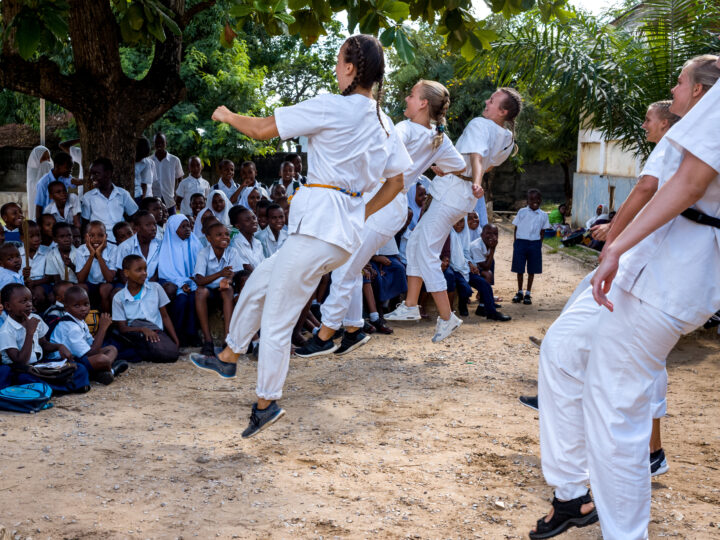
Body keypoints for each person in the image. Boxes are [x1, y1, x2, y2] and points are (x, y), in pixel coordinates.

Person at [532, 55, 720, 540]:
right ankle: (572, 494)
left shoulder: (713, 109)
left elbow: (683, 185)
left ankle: (624, 533)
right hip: (649, 268)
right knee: (563, 352)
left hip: (669, 277)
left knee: (615, 408)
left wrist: (615, 244)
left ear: (699, 91)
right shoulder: (698, 119)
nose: (674, 90)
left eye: (680, 82)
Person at [192, 34, 411, 438]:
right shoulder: (384, 123)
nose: (334, 66)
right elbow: (396, 182)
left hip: (317, 230)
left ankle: (267, 401)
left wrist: (225, 116)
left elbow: (261, 130)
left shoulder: (333, 106)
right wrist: (360, 210)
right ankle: (228, 354)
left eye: (337, 59)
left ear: (349, 69)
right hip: (337, 233)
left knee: (277, 317)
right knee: (260, 281)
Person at [298, 79, 466, 356]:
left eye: (412, 95)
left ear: (423, 103)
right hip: (390, 207)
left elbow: (377, 154)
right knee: (348, 265)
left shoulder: (405, 129)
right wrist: (430, 165)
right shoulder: (439, 138)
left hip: (380, 204)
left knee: (346, 267)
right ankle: (352, 329)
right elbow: (457, 166)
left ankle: (326, 333)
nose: (407, 100)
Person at [386, 87, 522, 342]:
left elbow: (478, 158)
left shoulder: (481, 124)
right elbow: (480, 163)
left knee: (426, 250)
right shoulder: (507, 138)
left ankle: (447, 318)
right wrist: (459, 173)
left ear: (503, 111)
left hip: (455, 193)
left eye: (492, 101)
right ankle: (411, 304)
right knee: (417, 242)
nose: (486, 101)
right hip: (459, 191)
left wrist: (475, 180)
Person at [0, 283, 90, 394]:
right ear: (8, 306)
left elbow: (44, 344)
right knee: (25, 379)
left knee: (79, 368)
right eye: (23, 302)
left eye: (30, 301)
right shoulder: (5, 330)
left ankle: (50, 390)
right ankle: (62, 387)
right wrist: (30, 332)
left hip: (39, 365)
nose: (29, 305)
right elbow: (20, 360)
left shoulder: (35, 318)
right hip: (21, 369)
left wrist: (59, 346)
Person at [47, 285, 126, 385]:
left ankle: (103, 372)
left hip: (80, 356)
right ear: (66, 308)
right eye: (77, 306)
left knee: (111, 349)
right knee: (102, 359)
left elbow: (92, 344)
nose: (83, 309)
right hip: (63, 362)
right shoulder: (70, 327)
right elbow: (91, 353)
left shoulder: (79, 321)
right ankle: (110, 371)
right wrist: (102, 328)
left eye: (86, 304)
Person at [112, 255, 179, 363]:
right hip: (133, 333)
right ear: (126, 273)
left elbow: (165, 316)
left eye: (145, 269)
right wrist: (142, 329)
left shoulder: (156, 288)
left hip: (155, 330)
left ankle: (134, 354)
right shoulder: (119, 297)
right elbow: (122, 328)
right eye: (139, 270)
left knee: (171, 354)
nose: (144, 273)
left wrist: (175, 340)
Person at [194, 222, 243, 356]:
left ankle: (228, 339)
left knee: (228, 291)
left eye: (227, 234)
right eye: (219, 235)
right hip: (208, 291)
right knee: (200, 292)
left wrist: (227, 280)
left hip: (224, 290)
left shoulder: (232, 252)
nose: (225, 237)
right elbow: (199, 280)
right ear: (209, 238)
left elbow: (234, 275)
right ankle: (208, 341)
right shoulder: (203, 254)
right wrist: (220, 274)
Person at [158, 214, 201, 347]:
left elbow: (201, 266)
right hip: (175, 283)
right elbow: (166, 271)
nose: (187, 229)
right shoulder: (166, 246)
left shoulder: (194, 242)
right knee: (181, 300)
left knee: (194, 298)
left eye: (188, 226)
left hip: (194, 282)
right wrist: (181, 283)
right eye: (182, 227)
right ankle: (178, 335)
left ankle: (192, 334)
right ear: (173, 228)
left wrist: (191, 282)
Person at [80, 157, 139, 244]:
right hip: (99, 240)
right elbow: (85, 223)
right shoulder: (88, 197)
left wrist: (128, 231)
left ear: (108, 173)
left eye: (96, 174)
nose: (92, 177)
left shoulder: (122, 194)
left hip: (121, 239)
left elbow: (135, 215)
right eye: (91, 174)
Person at [511, 188, 550, 305]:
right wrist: (516, 242)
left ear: (541, 200)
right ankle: (519, 292)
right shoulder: (522, 212)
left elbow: (542, 231)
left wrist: (539, 244)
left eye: (537, 199)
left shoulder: (543, 215)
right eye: (531, 199)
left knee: (532, 270)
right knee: (519, 269)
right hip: (521, 242)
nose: (535, 201)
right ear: (527, 201)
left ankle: (528, 293)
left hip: (535, 243)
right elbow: (516, 228)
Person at [469, 224, 510, 321]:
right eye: (488, 233)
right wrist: (492, 249)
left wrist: (491, 249)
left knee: (488, 272)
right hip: (469, 271)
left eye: (495, 233)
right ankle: (491, 311)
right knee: (487, 276)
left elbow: (487, 263)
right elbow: (486, 266)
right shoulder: (476, 246)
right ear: (482, 234)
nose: (492, 236)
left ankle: (483, 306)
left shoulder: (488, 243)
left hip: (477, 268)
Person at [74, 221, 117, 313]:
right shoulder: (80, 250)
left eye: (101, 235)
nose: (96, 239)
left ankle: (106, 319)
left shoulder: (113, 249)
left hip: (106, 284)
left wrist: (99, 255)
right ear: (86, 237)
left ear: (106, 236)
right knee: (80, 288)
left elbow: (109, 278)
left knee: (105, 289)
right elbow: (81, 279)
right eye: (91, 236)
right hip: (89, 284)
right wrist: (92, 255)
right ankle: (86, 320)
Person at [114, 211, 161, 282]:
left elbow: (160, 270)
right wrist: (137, 287)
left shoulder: (160, 244)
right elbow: (123, 274)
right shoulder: (125, 246)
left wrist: (149, 285)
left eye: (154, 224)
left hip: (154, 282)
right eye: (148, 225)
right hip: (131, 284)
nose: (153, 228)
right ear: (136, 228)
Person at [34, 152, 82, 221]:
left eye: (71, 168)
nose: (70, 171)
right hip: (49, 218)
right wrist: (39, 225)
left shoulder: (65, 177)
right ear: (57, 166)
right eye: (67, 168)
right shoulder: (43, 183)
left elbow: (75, 181)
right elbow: (39, 206)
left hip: (62, 216)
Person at [19, 220, 52, 312]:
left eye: (38, 235)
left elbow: (49, 277)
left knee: (38, 293)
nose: (36, 239)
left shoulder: (47, 251)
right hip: (22, 284)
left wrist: (34, 283)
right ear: (22, 238)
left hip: (42, 283)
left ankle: (41, 315)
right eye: (31, 236)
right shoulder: (17, 254)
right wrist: (24, 278)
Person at [150, 133, 183, 214]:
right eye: (157, 142)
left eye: (162, 142)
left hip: (169, 200)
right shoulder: (149, 161)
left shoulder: (174, 160)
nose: (159, 145)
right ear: (153, 144)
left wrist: (176, 195)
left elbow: (180, 179)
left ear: (166, 143)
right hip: (153, 200)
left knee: (172, 222)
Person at [230, 206, 264, 272]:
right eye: (247, 220)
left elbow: (263, 264)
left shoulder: (257, 243)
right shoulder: (235, 244)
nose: (253, 221)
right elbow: (246, 267)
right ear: (238, 226)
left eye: (254, 218)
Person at [26, 145, 53, 220]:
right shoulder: (32, 175)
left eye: (48, 157)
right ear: (36, 160)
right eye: (44, 158)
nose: (47, 161)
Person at [134, 137, 155, 202]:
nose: (141, 159)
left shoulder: (146, 163)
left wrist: (143, 199)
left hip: (137, 195)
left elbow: (144, 184)